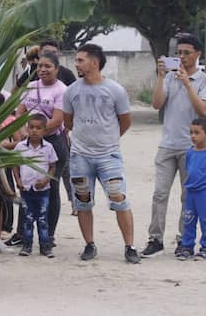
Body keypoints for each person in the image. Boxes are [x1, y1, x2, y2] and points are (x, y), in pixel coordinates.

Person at [64, 43, 140, 264]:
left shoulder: (115, 90)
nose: (76, 64)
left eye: (80, 60)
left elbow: (125, 121)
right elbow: (68, 121)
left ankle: (130, 246)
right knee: (82, 202)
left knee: (119, 199)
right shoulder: (72, 91)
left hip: (109, 156)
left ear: (94, 62)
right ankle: (89, 244)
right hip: (80, 156)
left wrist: (109, 140)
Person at [142, 33, 206, 258]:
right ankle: (156, 239)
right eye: (179, 53)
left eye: (186, 53)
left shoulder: (205, 80)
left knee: (187, 196)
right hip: (167, 143)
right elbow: (156, 104)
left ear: (198, 54)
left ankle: (185, 239)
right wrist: (162, 76)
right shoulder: (171, 78)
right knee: (159, 194)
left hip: (191, 147)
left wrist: (187, 83)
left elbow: (203, 110)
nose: (182, 57)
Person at [15, 51, 68, 247]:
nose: (43, 70)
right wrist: (24, 134)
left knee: (50, 189)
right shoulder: (30, 86)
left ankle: (49, 235)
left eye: (48, 66)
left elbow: (56, 120)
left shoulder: (62, 90)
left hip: (52, 142)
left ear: (57, 69)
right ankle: (23, 233)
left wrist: (37, 134)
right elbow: (19, 112)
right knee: (26, 185)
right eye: (40, 67)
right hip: (28, 142)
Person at [13, 114, 58, 258]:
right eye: (31, 127)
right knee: (27, 218)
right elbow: (14, 164)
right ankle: (27, 245)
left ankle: (45, 246)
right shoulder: (20, 146)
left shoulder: (48, 147)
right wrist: (18, 180)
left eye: (38, 128)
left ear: (44, 130)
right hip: (26, 189)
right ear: (27, 128)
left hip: (43, 190)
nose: (34, 131)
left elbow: (52, 166)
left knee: (43, 219)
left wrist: (46, 180)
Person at [176, 118, 206, 261]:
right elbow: (189, 170)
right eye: (191, 133)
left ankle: (205, 248)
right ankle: (187, 247)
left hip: (204, 193)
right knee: (188, 220)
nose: (193, 136)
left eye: (197, 133)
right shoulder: (189, 152)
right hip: (191, 192)